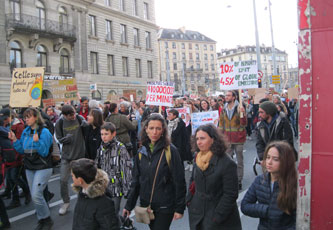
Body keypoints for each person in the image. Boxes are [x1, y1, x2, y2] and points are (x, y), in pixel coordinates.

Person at [123, 114, 186, 230]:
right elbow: (136, 181)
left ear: (163, 131)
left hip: (165, 206)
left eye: (158, 128)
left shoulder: (171, 151)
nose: (154, 132)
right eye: (151, 128)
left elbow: (179, 181)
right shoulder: (141, 152)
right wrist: (129, 205)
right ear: (146, 129)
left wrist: (179, 208)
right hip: (147, 205)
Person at [187, 124, 241, 230]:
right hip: (197, 212)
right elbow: (193, 180)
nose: (199, 142)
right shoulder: (198, 157)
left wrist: (217, 217)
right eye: (197, 138)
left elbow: (230, 194)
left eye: (202, 138)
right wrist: (189, 200)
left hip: (218, 217)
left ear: (213, 139)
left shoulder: (227, 163)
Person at [9, 108, 54, 230]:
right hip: (29, 167)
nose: (26, 119)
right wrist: (14, 140)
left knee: (36, 195)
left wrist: (38, 142)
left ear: (35, 117)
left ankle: (47, 219)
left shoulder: (44, 132)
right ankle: (42, 220)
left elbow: (44, 152)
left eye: (28, 117)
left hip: (43, 167)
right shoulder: (25, 131)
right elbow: (22, 150)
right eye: (25, 117)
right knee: (36, 196)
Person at [241, 141, 297, 230]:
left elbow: (298, 219)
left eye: (275, 159)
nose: (269, 162)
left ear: (285, 161)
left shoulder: (294, 184)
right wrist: (267, 210)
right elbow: (245, 206)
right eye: (268, 157)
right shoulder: (259, 180)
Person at [71, 158, 119, 230]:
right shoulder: (82, 193)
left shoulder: (104, 203)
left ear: (80, 180)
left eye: (73, 176)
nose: (72, 178)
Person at [95, 122, 132, 215]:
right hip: (103, 186)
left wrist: (127, 189)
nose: (104, 137)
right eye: (102, 134)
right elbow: (97, 166)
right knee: (104, 212)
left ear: (113, 133)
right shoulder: (101, 148)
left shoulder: (120, 148)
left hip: (116, 187)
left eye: (106, 134)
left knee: (113, 212)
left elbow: (126, 168)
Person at [55, 105, 86, 215]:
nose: (73, 117)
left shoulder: (79, 118)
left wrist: (86, 125)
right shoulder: (60, 123)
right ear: (64, 115)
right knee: (63, 180)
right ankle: (66, 202)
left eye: (74, 114)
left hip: (80, 155)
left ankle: (83, 202)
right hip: (66, 157)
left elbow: (87, 131)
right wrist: (65, 139)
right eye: (70, 116)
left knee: (81, 180)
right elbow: (58, 139)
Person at [219, 90, 247, 190]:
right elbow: (221, 123)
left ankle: (239, 180)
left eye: (228, 95)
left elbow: (244, 124)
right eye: (226, 95)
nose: (226, 97)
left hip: (238, 138)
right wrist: (220, 136)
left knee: (239, 161)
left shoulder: (239, 107)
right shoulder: (223, 109)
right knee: (228, 160)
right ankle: (230, 179)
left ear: (234, 97)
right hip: (227, 139)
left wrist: (242, 114)